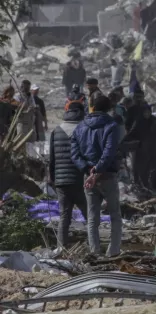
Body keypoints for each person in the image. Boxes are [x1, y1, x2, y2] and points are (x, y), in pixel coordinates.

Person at [70, 95, 123, 257]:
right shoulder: (111, 125)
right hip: (107, 175)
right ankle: (113, 251)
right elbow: (109, 152)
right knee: (115, 214)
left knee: (92, 217)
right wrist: (98, 170)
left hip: (88, 178)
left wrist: (88, 169)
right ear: (108, 108)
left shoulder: (80, 127)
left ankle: (95, 251)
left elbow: (74, 153)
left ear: (92, 107)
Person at [48, 99, 88, 248]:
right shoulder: (83, 130)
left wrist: (53, 179)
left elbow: (52, 159)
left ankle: (60, 248)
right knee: (88, 215)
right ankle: (94, 246)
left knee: (64, 216)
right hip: (79, 180)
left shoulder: (57, 130)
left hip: (61, 182)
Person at [127, 103, 156, 193]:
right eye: (145, 113)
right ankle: (140, 188)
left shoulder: (154, 120)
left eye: (148, 112)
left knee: (150, 169)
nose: (147, 114)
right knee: (139, 169)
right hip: (140, 150)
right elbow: (131, 133)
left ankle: (149, 187)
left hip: (152, 148)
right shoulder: (138, 121)